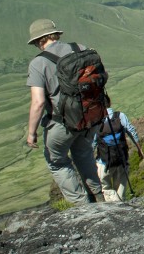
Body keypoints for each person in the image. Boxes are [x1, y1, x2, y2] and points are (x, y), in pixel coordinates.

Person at [25, 19, 104, 203]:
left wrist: (31, 133)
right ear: (55, 34)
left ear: (39, 41)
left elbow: (38, 102)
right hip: (90, 116)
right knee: (83, 153)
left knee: (57, 162)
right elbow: (99, 78)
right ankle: (99, 198)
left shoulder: (38, 63)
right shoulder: (80, 48)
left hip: (62, 123)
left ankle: (82, 207)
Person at [93, 102, 144, 201]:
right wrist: (139, 149)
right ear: (109, 102)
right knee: (121, 192)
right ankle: (121, 204)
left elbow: (93, 142)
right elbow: (131, 131)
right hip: (122, 159)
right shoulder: (120, 116)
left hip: (104, 162)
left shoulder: (96, 121)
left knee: (106, 189)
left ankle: (115, 205)